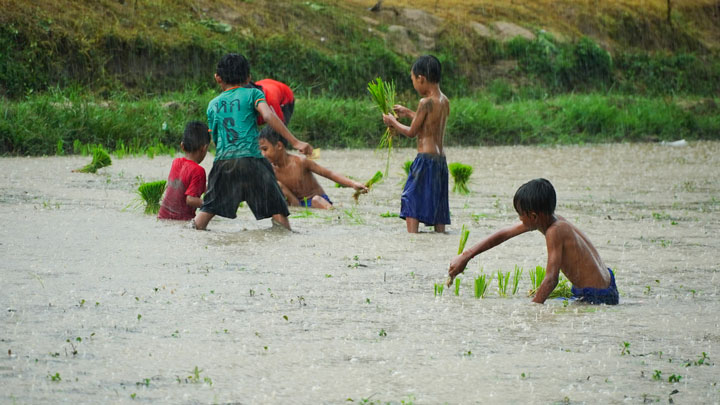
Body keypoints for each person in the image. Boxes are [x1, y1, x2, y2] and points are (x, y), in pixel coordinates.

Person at [447, 179, 619, 305]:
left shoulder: (554, 231)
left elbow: (552, 279)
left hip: (596, 296)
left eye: (520, 214)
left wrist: (533, 308)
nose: (519, 219)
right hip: (606, 286)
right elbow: (503, 234)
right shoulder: (554, 221)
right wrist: (466, 256)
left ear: (534, 216)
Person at [193, 53, 313, 231]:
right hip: (252, 160)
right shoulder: (253, 94)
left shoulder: (213, 105)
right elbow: (267, 115)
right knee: (278, 211)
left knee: (207, 210)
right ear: (248, 77)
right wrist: (295, 142)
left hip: (224, 162)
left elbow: (216, 139)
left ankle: (192, 235)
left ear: (217, 78)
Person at [382, 55, 450, 233]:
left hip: (425, 159)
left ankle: (412, 238)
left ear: (421, 79)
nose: (414, 85)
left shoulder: (425, 102)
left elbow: (412, 132)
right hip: (440, 160)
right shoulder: (444, 101)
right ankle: (439, 234)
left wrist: (392, 121)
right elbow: (429, 124)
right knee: (438, 204)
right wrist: (407, 112)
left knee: (410, 198)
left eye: (413, 80)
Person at [258, 127, 367, 209]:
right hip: (297, 204)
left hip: (317, 201)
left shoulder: (301, 162)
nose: (262, 154)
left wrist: (352, 183)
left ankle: (335, 214)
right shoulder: (270, 170)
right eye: (260, 150)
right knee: (278, 186)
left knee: (316, 200)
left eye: (265, 149)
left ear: (279, 146)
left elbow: (329, 174)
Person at [157, 121, 210, 221]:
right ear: (204, 148)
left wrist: (208, 188)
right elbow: (190, 200)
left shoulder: (176, 162)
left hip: (162, 217)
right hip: (182, 221)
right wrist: (211, 205)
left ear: (182, 145)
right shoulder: (198, 171)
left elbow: (185, 185)